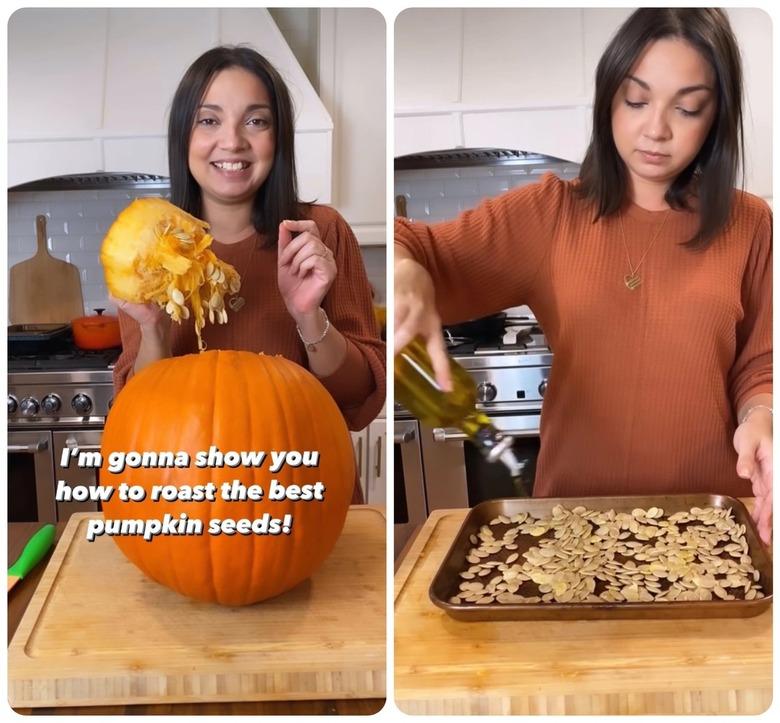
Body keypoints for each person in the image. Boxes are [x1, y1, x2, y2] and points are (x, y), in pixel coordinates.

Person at [394, 8, 772, 542]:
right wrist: (406, 270)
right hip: (572, 529)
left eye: (687, 109)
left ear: (715, 118)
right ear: (608, 98)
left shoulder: (749, 224)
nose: (656, 129)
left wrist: (762, 417)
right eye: (636, 100)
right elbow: (411, 243)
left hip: (710, 524)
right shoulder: (549, 214)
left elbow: (759, 364)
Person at [113, 45, 386, 503]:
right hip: (188, 504)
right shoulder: (149, 248)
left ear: (278, 140)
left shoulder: (320, 233)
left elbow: (359, 400)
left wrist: (308, 317)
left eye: (256, 121)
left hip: (307, 496)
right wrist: (153, 329)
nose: (233, 141)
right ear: (184, 135)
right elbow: (135, 422)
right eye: (209, 120)